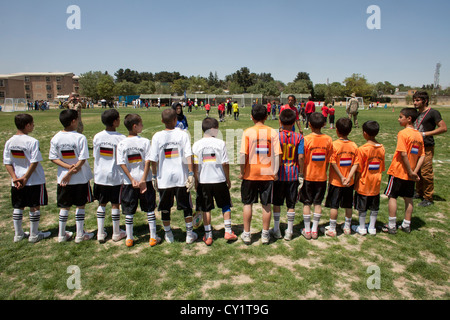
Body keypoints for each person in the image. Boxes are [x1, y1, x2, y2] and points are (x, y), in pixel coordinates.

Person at [150, 109, 197, 244]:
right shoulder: (183, 134)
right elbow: (189, 155)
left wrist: (154, 175)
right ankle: (189, 234)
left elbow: (153, 159)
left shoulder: (156, 136)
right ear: (176, 120)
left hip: (163, 179)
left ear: (162, 121)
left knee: (165, 207)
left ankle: (168, 234)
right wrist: (191, 174)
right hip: (181, 178)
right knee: (186, 207)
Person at [3, 114, 51, 243]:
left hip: (17, 181)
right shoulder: (32, 141)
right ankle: (34, 234)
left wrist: (15, 178)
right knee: (34, 206)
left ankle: (18, 234)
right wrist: (25, 177)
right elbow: (34, 162)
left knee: (18, 206)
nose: (33, 125)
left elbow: (7, 162)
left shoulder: (10, 141)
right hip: (33, 180)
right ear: (27, 125)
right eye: (32, 123)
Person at [239, 104, 282, 245]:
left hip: (250, 174)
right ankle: (265, 235)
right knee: (266, 205)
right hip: (267, 174)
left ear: (251, 117)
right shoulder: (273, 132)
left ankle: (246, 234)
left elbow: (242, 155)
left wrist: (241, 171)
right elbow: (277, 155)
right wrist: (275, 172)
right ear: (266, 116)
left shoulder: (247, 132)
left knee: (247, 204)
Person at [49, 109, 94, 243]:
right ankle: (80, 235)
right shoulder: (80, 137)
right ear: (74, 121)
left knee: (65, 206)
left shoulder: (56, 138)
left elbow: (53, 158)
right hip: (80, 177)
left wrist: (67, 169)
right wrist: (72, 170)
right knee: (80, 205)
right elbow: (83, 158)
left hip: (63, 179)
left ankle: (61, 235)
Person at [193, 118, 238, 246]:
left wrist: (196, 180)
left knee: (206, 208)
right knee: (225, 205)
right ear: (212, 129)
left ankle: (208, 235)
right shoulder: (221, 143)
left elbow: (195, 165)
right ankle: (228, 231)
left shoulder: (196, 144)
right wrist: (227, 178)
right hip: (219, 180)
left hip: (204, 181)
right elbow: (225, 163)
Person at [116, 114, 159, 247]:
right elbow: (148, 161)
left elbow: (121, 163)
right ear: (135, 126)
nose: (142, 126)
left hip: (129, 183)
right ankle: (152, 237)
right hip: (144, 182)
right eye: (141, 124)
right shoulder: (145, 142)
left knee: (129, 210)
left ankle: (129, 238)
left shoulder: (121, 143)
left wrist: (132, 179)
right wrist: (143, 179)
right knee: (150, 208)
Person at [382, 108, 425, 234]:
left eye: (401, 117)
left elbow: (403, 153)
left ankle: (391, 225)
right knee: (408, 198)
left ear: (409, 119)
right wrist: (414, 171)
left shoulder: (403, 133)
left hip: (398, 171)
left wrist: (409, 171)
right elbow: (422, 155)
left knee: (392, 196)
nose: (398, 119)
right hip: (411, 174)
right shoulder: (418, 135)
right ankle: (406, 224)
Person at [92, 109, 127, 243]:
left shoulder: (97, 137)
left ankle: (100, 233)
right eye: (118, 118)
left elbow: (96, 155)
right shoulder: (121, 138)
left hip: (100, 175)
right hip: (115, 176)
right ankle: (116, 232)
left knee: (101, 203)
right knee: (115, 204)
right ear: (114, 122)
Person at [270, 109, 304, 241]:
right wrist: (301, 171)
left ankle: (277, 229)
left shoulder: (276, 136)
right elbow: (300, 156)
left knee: (277, 202)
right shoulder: (299, 137)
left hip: (279, 175)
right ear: (295, 121)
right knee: (291, 204)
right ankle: (289, 231)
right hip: (293, 174)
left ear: (280, 121)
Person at [299, 112, 333, 240]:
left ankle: (307, 230)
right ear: (324, 124)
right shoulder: (328, 139)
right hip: (322, 177)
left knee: (306, 203)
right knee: (317, 203)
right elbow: (329, 159)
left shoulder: (306, 139)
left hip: (308, 176)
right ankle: (315, 230)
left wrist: (301, 171)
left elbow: (301, 157)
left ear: (309, 124)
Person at [324, 118, 358, 237]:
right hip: (349, 181)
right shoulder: (354, 145)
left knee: (334, 205)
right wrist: (348, 177)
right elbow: (356, 163)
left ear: (337, 130)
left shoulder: (334, 145)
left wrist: (342, 177)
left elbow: (332, 162)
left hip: (336, 182)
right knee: (348, 204)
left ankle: (332, 228)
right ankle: (347, 227)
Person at [413, 91, 447, 207]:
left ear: (425, 101)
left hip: (427, 146)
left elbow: (443, 128)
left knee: (426, 172)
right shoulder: (416, 114)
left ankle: (428, 197)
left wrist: (426, 134)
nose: (415, 103)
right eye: (414, 100)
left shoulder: (433, 113)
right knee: (417, 170)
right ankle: (419, 192)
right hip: (416, 146)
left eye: (417, 100)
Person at [351, 121, 385, 235]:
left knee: (362, 207)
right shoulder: (382, 148)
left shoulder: (362, 149)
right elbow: (382, 167)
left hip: (364, 182)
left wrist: (355, 182)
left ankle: (361, 227)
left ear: (364, 133)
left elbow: (359, 168)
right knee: (374, 206)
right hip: (376, 183)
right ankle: (372, 227)